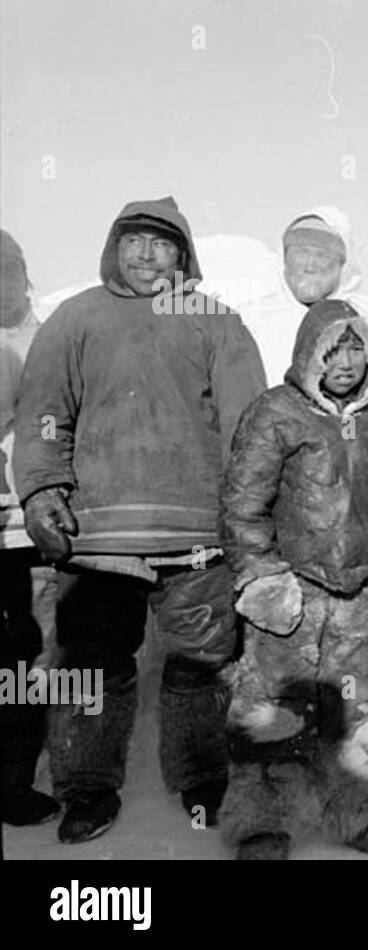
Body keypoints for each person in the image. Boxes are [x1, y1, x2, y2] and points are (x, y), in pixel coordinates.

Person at [13, 196, 266, 844]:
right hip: (97, 535)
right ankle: (88, 789)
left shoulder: (216, 321)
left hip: (198, 534)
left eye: (163, 243)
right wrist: (43, 491)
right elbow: (45, 412)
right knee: (94, 666)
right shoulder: (77, 319)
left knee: (199, 663)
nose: (148, 254)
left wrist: (249, 513)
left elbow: (249, 427)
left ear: (184, 255)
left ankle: (201, 777)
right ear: (113, 247)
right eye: (135, 241)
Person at [218, 299, 368, 860]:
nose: (345, 360)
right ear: (308, 352)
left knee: (361, 707)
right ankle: (261, 823)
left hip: (362, 594)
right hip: (293, 593)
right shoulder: (274, 413)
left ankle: (362, 811)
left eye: (356, 346)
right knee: (272, 708)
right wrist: (261, 577)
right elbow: (243, 504)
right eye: (332, 348)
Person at [0, 228, 59, 827]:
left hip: (30, 530)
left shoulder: (48, 340)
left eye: (6, 269)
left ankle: (15, 779)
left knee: (29, 659)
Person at [242, 206, 368, 384]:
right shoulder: (249, 320)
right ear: (284, 259)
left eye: (322, 255)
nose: (310, 265)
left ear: (344, 265)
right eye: (301, 253)